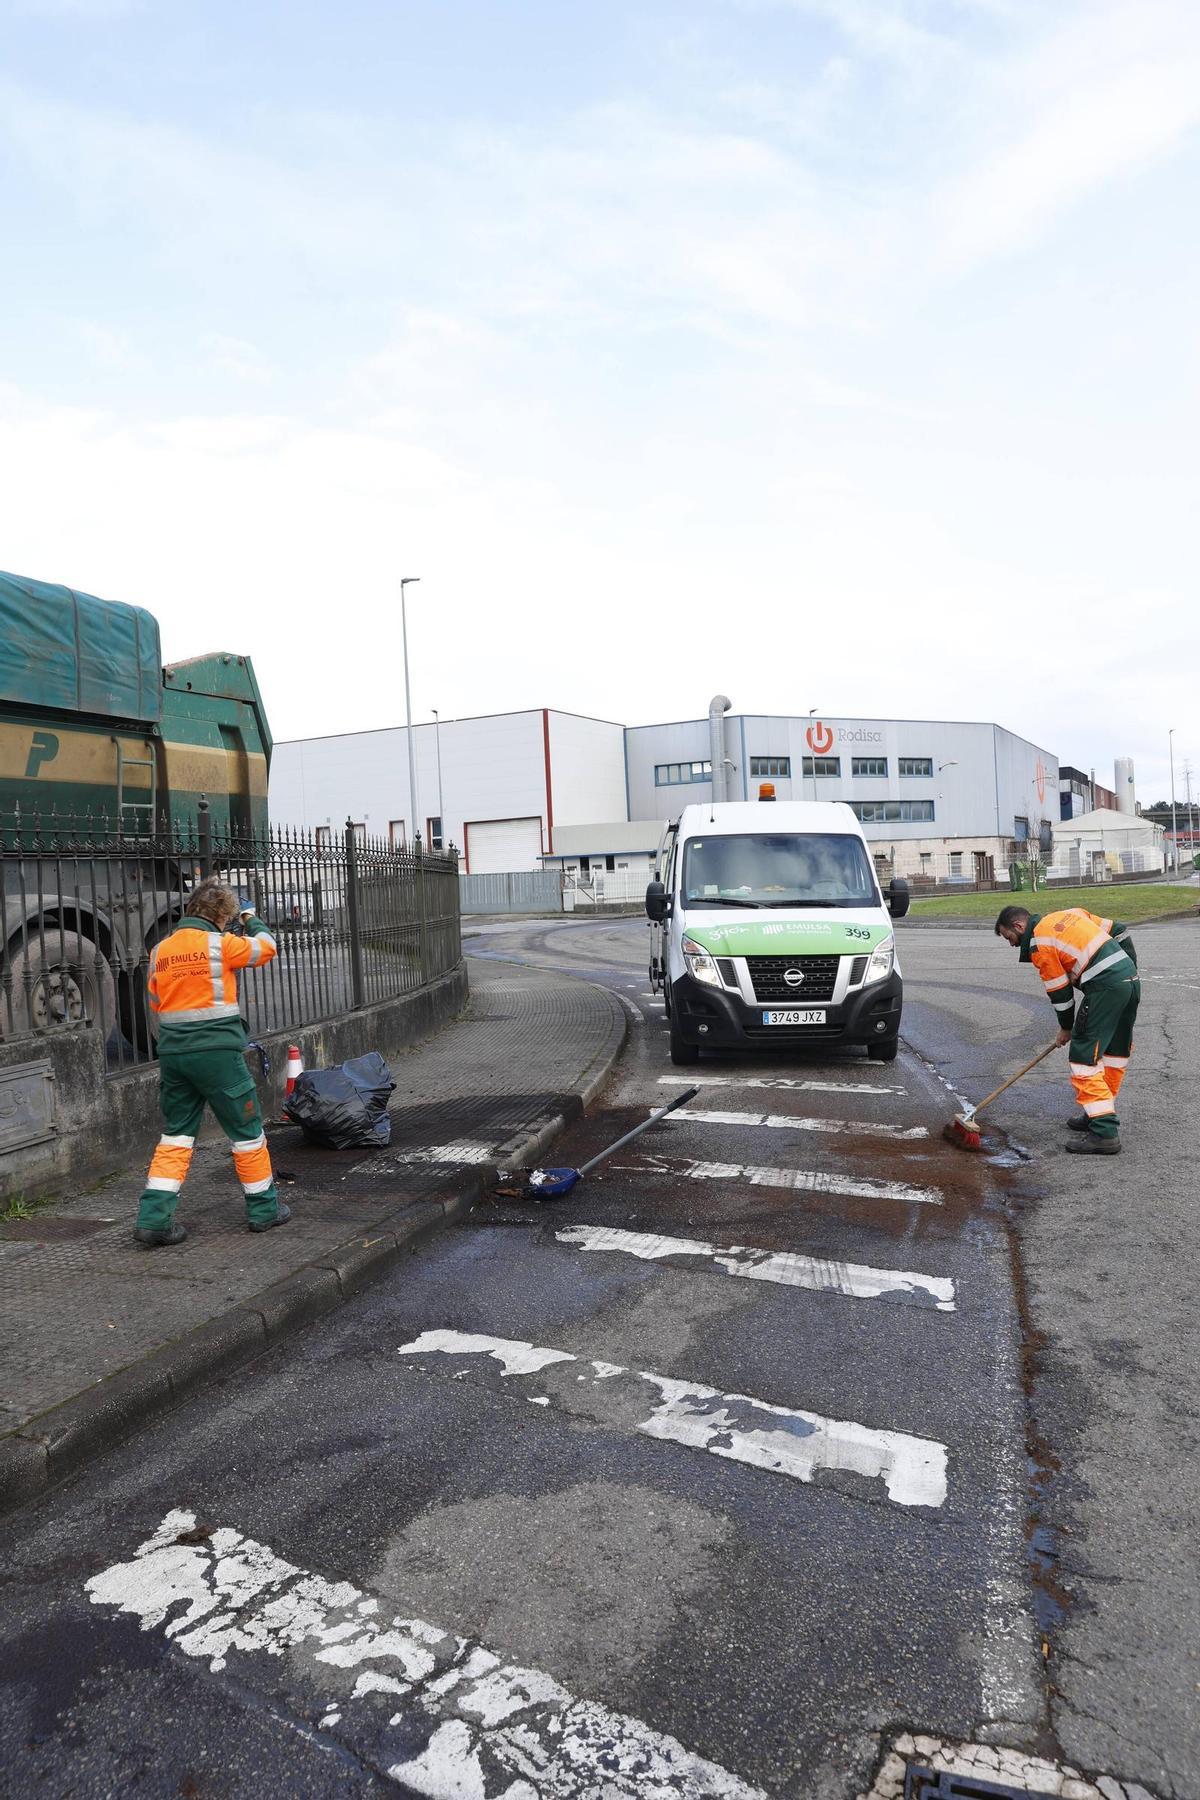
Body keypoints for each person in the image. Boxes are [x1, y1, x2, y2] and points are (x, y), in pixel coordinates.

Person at [135, 879, 291, 1246]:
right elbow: (267, 949)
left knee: (176, 1135)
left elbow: (157, 1004)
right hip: (218, 1055)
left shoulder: (160, 950)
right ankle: (265, 1210)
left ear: (191, 909)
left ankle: (153, 1219)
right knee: (246, 1131)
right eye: (230, 916)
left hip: (174, 1055)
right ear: (223, 916)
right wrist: (252, 918)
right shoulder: (221, 944)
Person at [994, 903, 1139, 1156]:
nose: (1012, 944)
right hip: (1129, 982)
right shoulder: (1070, 915)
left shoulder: (1039, 943)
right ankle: (1098, 1113)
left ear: (1019, 926)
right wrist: (1129, 968)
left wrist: (1066, 1028)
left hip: (1105, 987)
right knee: (1114, 1052)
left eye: (1010, 937)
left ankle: (1104, 1133)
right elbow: (1120, 930)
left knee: (1084, 1057)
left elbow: (1060, 993)